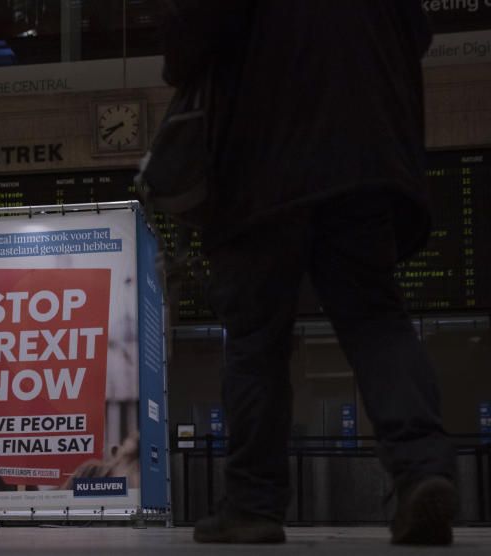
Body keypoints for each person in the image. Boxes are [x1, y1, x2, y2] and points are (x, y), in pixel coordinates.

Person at [160, 0, 458, 545]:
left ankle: (252, 504)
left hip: (259, 175)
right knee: (377, 323)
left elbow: (185, 46)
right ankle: (422, 469)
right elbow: (417, 32)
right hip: (365, 164)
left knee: (256, 343)